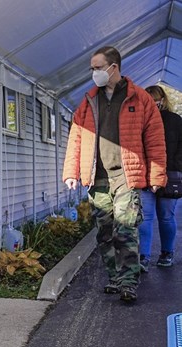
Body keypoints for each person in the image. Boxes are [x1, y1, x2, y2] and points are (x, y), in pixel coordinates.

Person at [63, 46, 167, 303]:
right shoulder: (88, 103)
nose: (94, 72)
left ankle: (129, 281)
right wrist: (71, 171)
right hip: (97, 176)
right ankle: (115, 277)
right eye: (92, 68)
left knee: (125, 229)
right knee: (104, 231)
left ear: (114, 67)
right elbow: (75, 138)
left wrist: (156, 177)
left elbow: (155, 141)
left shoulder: (140, 99)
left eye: (98, 68)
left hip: (126, 176)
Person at [138, 85, 182, 270]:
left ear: (163, 99)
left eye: (154, 99)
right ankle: (143, 256)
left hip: (170, 175)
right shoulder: (139, 120)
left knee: (165, 216)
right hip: (145, 175)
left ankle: (167, 252)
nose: (153, 103)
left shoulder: (175, 121)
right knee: (145, 217)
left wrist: (176, 167)